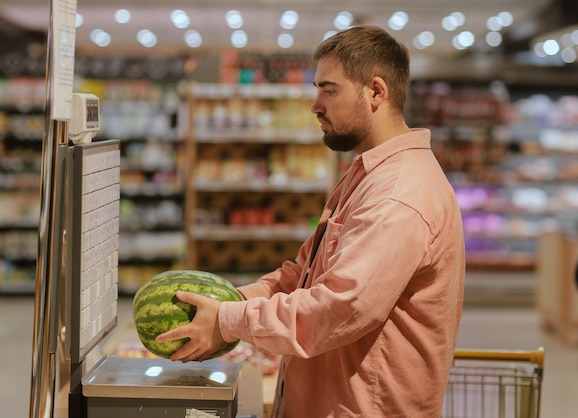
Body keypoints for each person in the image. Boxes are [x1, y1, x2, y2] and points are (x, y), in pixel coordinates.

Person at [156, 25, 465, 417]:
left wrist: (230, 320)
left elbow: (338, 308)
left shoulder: (398, 194)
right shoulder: (366, 173)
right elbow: (301, 274)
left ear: (376, 92)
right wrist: (223, 302)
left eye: (329, 90)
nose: (315, 105)